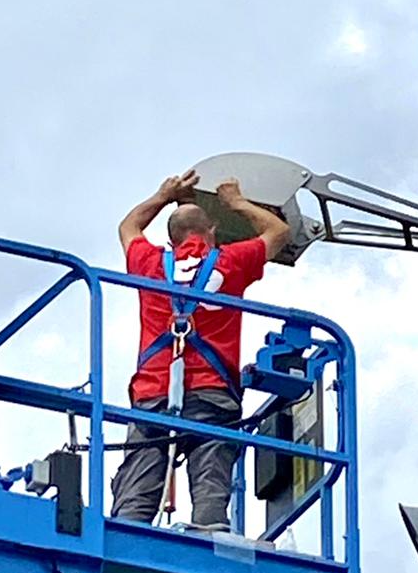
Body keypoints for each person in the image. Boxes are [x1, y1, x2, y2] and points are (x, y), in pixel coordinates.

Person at [111, 169, 291, 530]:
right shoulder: (230, 261)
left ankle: (127, 532)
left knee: (139, 482)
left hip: (154, 391)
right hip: (212, 391)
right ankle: (211, 530)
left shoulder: (148, 263)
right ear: (211, 233)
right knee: (211, 467)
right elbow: (279, 233)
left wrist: (163, 195)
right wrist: (236, 202)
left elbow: (128, 228)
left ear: (171, 239)